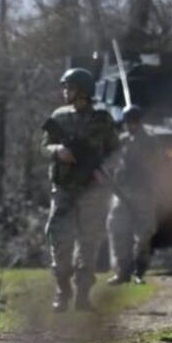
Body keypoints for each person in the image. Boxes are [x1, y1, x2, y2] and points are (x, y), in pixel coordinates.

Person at [40, 68, 118, 312]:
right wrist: (57, 151)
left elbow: (115, 152)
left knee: (89, 243)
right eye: (65, 87)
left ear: (82, 91)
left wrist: (104, 170)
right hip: (63, 190)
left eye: (69, 87)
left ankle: (83, 294)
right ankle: (63, 290)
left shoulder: (102, 119)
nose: (65, 91)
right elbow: (44, 146)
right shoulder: (59, 117)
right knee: (59, 240)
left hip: (92, 191)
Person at [106, 104, 159, 285]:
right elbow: (112, 162)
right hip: (121, 192)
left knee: (143, 234)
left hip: (143, 192)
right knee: (117, 231)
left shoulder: (149, 140)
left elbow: (154, 164)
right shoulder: (122, 140)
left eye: (134, 122)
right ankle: (121, 272)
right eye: (128, 122)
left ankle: (139, 271)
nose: (131, 125)